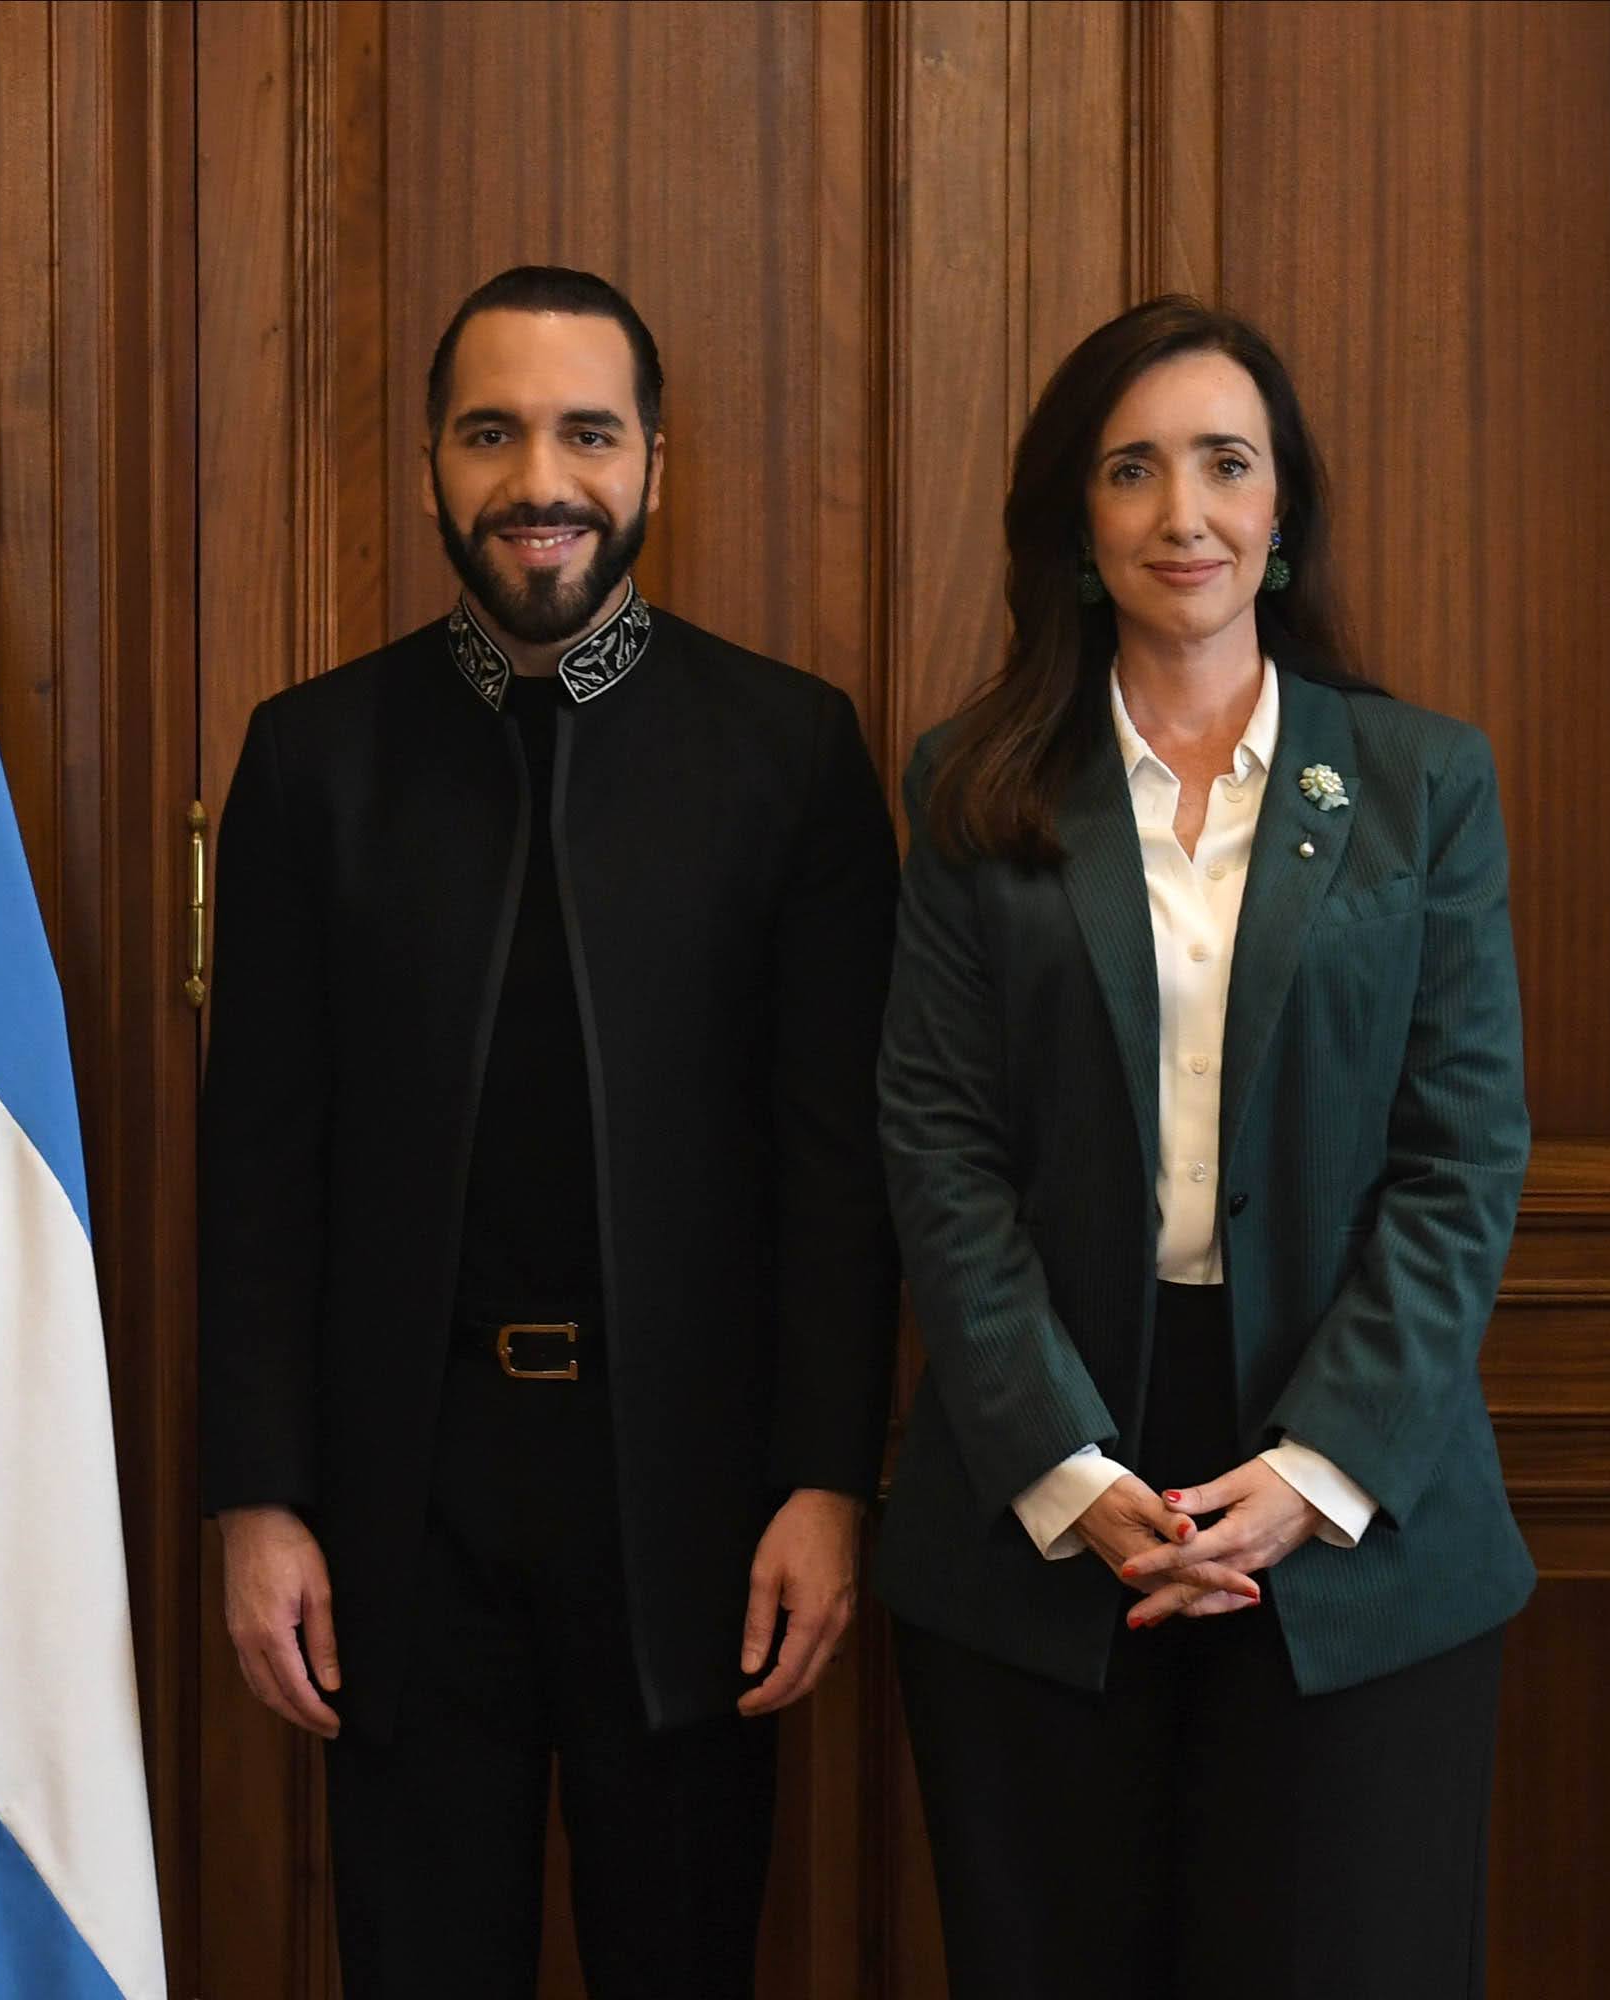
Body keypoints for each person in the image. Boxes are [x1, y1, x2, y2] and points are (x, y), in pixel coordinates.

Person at [199, 264, 899, 1999]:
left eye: (587, 432)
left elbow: (839, 1160)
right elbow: (258, 1171)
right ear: (433, 463)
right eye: (493, 431)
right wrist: (258, 1499)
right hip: (401, 1508)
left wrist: (830, 1477)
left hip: (696, 1507)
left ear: (656, 461)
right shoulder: (312, 761)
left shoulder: (790, 752)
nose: (541, 478)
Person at [875, 295, 1537, 1998]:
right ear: (1077, 524)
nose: (1185, 513)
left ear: (1284, 512)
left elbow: (1463, 1157)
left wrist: (1318, 1474)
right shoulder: (975, 788)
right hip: (1050, 1503)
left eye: (1226, 465)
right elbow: (937, 1147)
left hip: (1351, 1508)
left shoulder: (1417, 783)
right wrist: (1073, 1477)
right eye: (1134, 469)